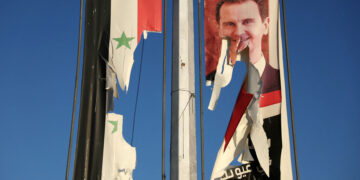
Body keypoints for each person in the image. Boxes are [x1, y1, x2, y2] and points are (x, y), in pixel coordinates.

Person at [214, 0, 282, 179]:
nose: (239, 32)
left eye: (247, 21)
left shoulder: (275, 83)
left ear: (265, 26)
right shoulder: (244, 91)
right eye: (230, 24)